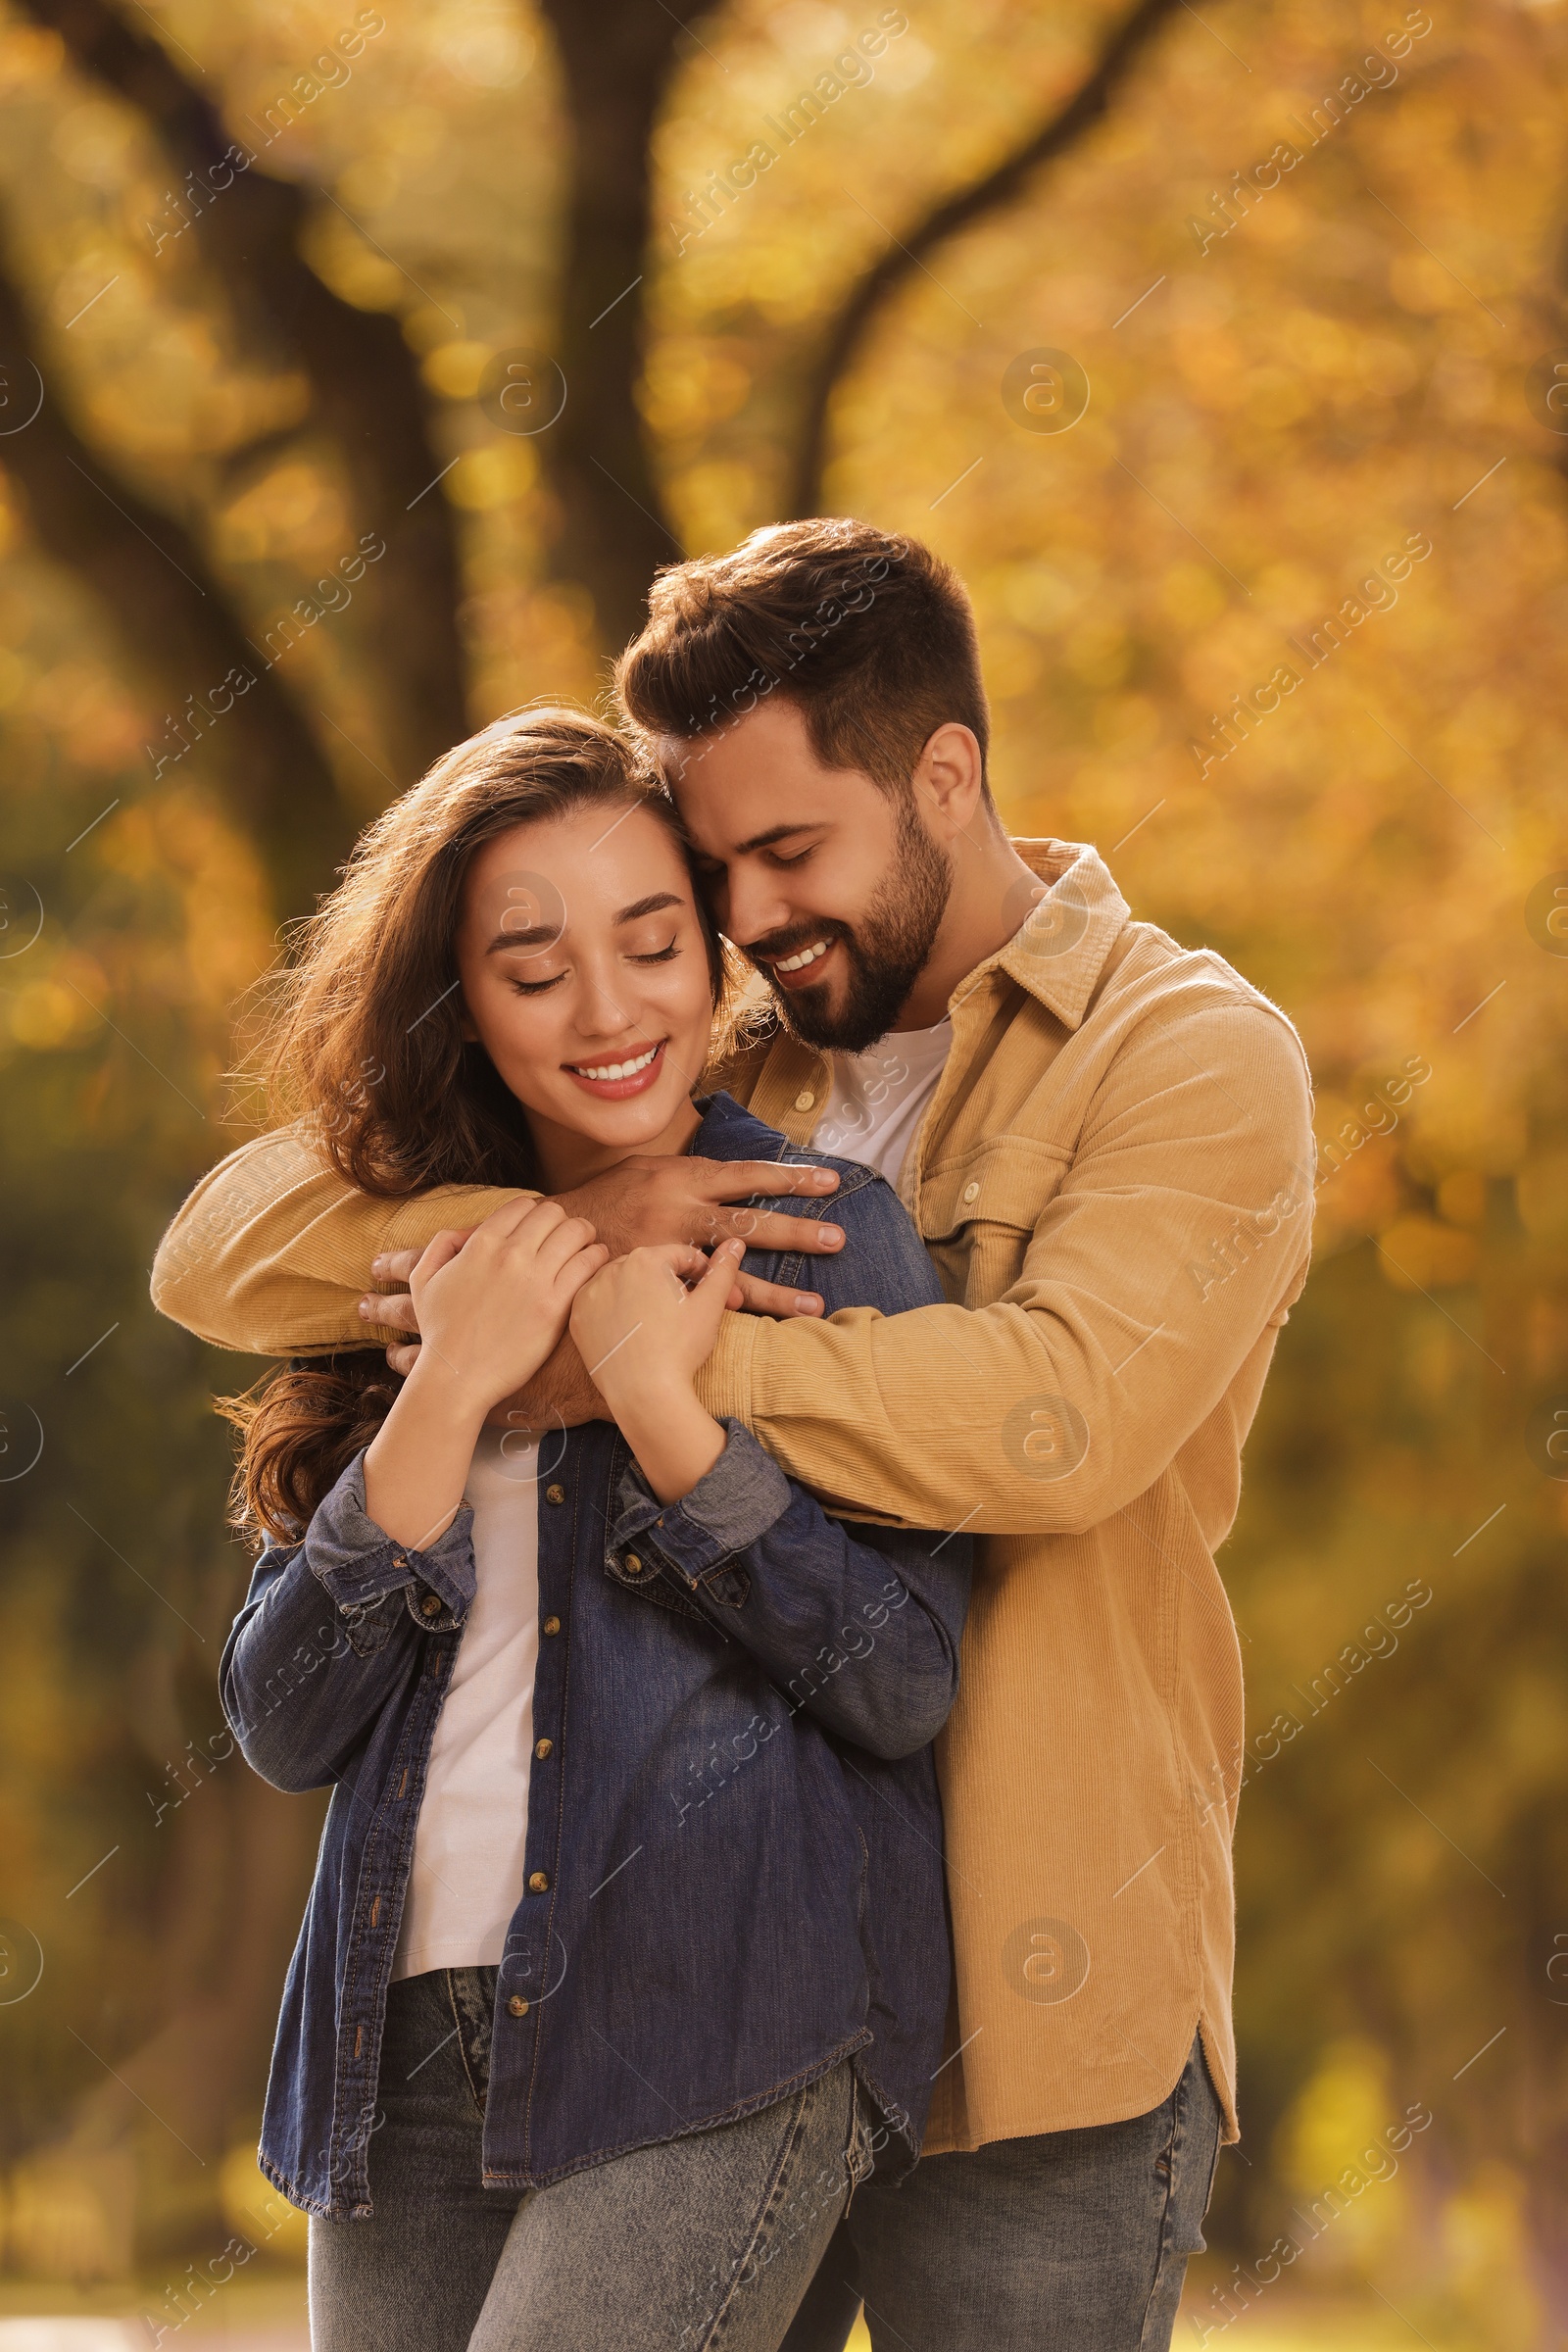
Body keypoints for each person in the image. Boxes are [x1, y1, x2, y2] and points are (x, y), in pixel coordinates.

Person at [154, 520, 1315, 2352]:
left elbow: (1064, 1420)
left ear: (947, 775)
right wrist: (533, 1268)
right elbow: (227, 1250)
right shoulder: (719, 1042)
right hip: (691, 1970)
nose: (754, 912)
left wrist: (656, 1365)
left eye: (791, 849)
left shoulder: (1186, 1054)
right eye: (722, 867)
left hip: (1036, 1985)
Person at [202, 708, 972, 2352]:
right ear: (461, 1003)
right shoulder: (406, 1268)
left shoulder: (819, 1237)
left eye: (654, 946)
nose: (612, 1013)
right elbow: (281, 1719)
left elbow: (903, 1684)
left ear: (714, 958)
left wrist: (671, 1427)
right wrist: (454, 1386)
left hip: (728, 2009)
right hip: (397, 2033)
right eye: (536, 970)